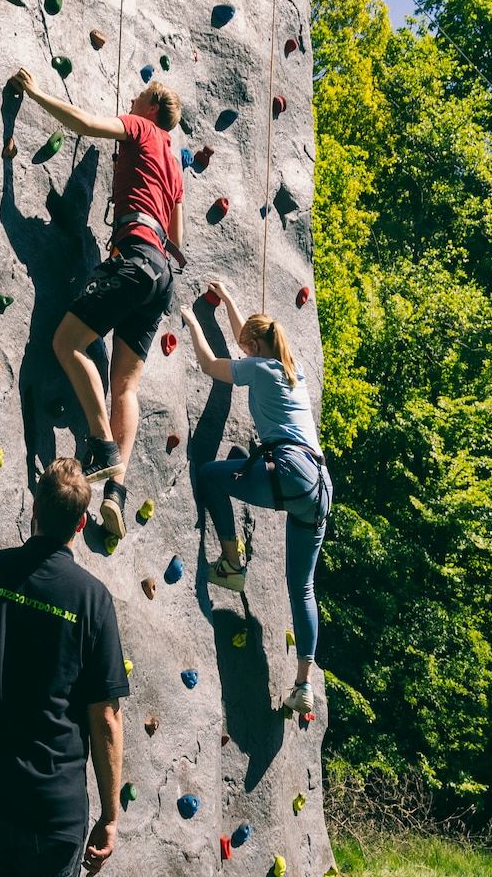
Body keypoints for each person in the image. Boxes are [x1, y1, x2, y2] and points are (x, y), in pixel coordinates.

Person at [7, 68, 183, 540]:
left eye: (139, 93)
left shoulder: (143, 128)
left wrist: (36, 91)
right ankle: (116, 494)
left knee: (67, 343)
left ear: (151, 108)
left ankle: (104, 450)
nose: (133, 95)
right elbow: (179, 238)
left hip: (135, 254)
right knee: (124, 386)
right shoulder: (174, 163)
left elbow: (84, 124)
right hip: (162, 269)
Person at [0, 458, 129, 876]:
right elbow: (107, 720)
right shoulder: (93, 602)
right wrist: (110, 817)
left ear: (34, 509)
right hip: (53, 812)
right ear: (81, 525)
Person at [181, 279, 332, 722]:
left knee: (210, 476)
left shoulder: (260, 368)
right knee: (301, 586)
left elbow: (213, 364)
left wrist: (192, 321)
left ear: (254, 345)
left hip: (291, 473)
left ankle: (230, 562)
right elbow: (247, 339)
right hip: (320, 487)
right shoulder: (292, 370)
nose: (243, 350)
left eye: (246, 345)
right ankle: (303, 684)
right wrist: (229, 299)